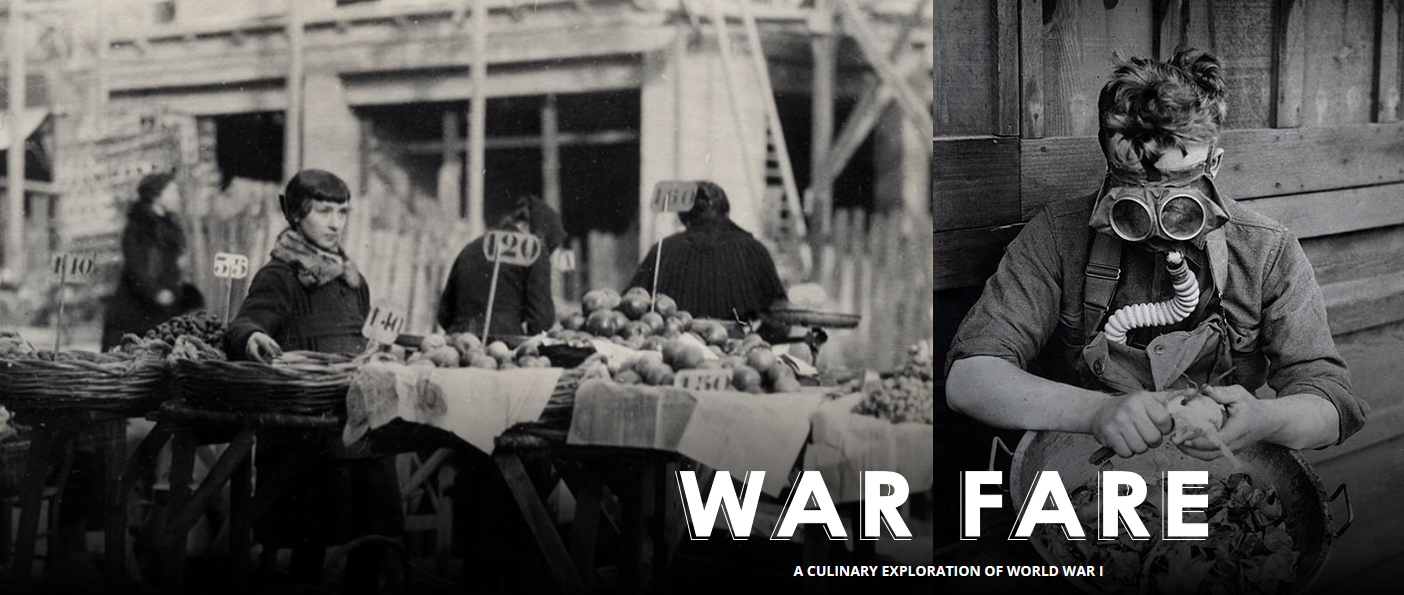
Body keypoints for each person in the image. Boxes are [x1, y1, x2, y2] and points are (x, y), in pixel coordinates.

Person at [943, 50, 1369, 574]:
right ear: (1108, 159)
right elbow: (968, 379)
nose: (1155, 209)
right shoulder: (1058, 235)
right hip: (1081, 486)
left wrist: (1264, 418)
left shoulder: (1266, 250)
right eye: (1132, 181)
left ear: (1213, 161)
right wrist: (1095, 413)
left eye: (1179, 184)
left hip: (1213, 491)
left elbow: (1333, 404)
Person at [225, 169, 402, 590]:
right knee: (313, 538)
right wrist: (253, 337)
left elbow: (365, 337)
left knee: (372, 531)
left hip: (358, 425)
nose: (336, 222)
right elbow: (244, 323)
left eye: (343, 211)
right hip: (309, 436)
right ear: (297, 216)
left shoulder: (352, 281)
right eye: (324, 211)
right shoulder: (281, 275)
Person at [627, 180, 789, 333]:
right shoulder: (754, 249)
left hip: (673, 345)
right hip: (740, 349)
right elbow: (780, 314)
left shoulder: (663, 249)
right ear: (726, 211)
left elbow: (630, 303)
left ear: (684, 217)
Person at [437, 194, 565, 337]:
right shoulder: (534, 249)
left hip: (457, 340)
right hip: (503, 344)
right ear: (540, 232)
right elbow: (541, 322)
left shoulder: (472, 247)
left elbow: (444, 314)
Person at [101, 173, 201, 350]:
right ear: (157, 195)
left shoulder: (171, 229)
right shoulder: (138, 227)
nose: (178, 196)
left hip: (164, 305)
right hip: (136, 306)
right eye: (172, 191)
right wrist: (155, 292)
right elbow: (135, 266)